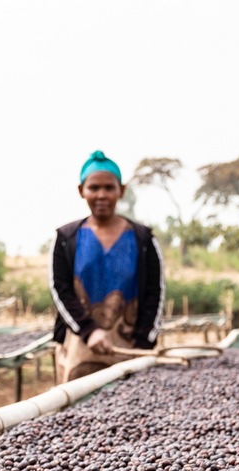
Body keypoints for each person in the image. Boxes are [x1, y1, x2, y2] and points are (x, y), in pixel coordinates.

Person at [51, 150, 165, 382]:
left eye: (108, 188)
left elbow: (156, 292)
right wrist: (89, 330)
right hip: (81, 345)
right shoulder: (66, 238)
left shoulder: (143, 239)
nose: (101, 194)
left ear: (120, 190)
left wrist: (143, 342)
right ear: (81, 191)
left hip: (130, 345)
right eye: (94, 188)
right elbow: (60, 289)